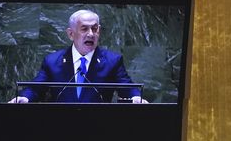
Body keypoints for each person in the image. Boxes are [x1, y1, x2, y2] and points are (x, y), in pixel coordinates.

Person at [10, 9, 146, 104]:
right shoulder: (52, 61)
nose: (91, 34)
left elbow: (127, 88)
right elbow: (36, 88)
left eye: (94, 29)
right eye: (84, 29)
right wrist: (25, 98)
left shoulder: (112, 61)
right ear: (71, 34)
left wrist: (136, 97)